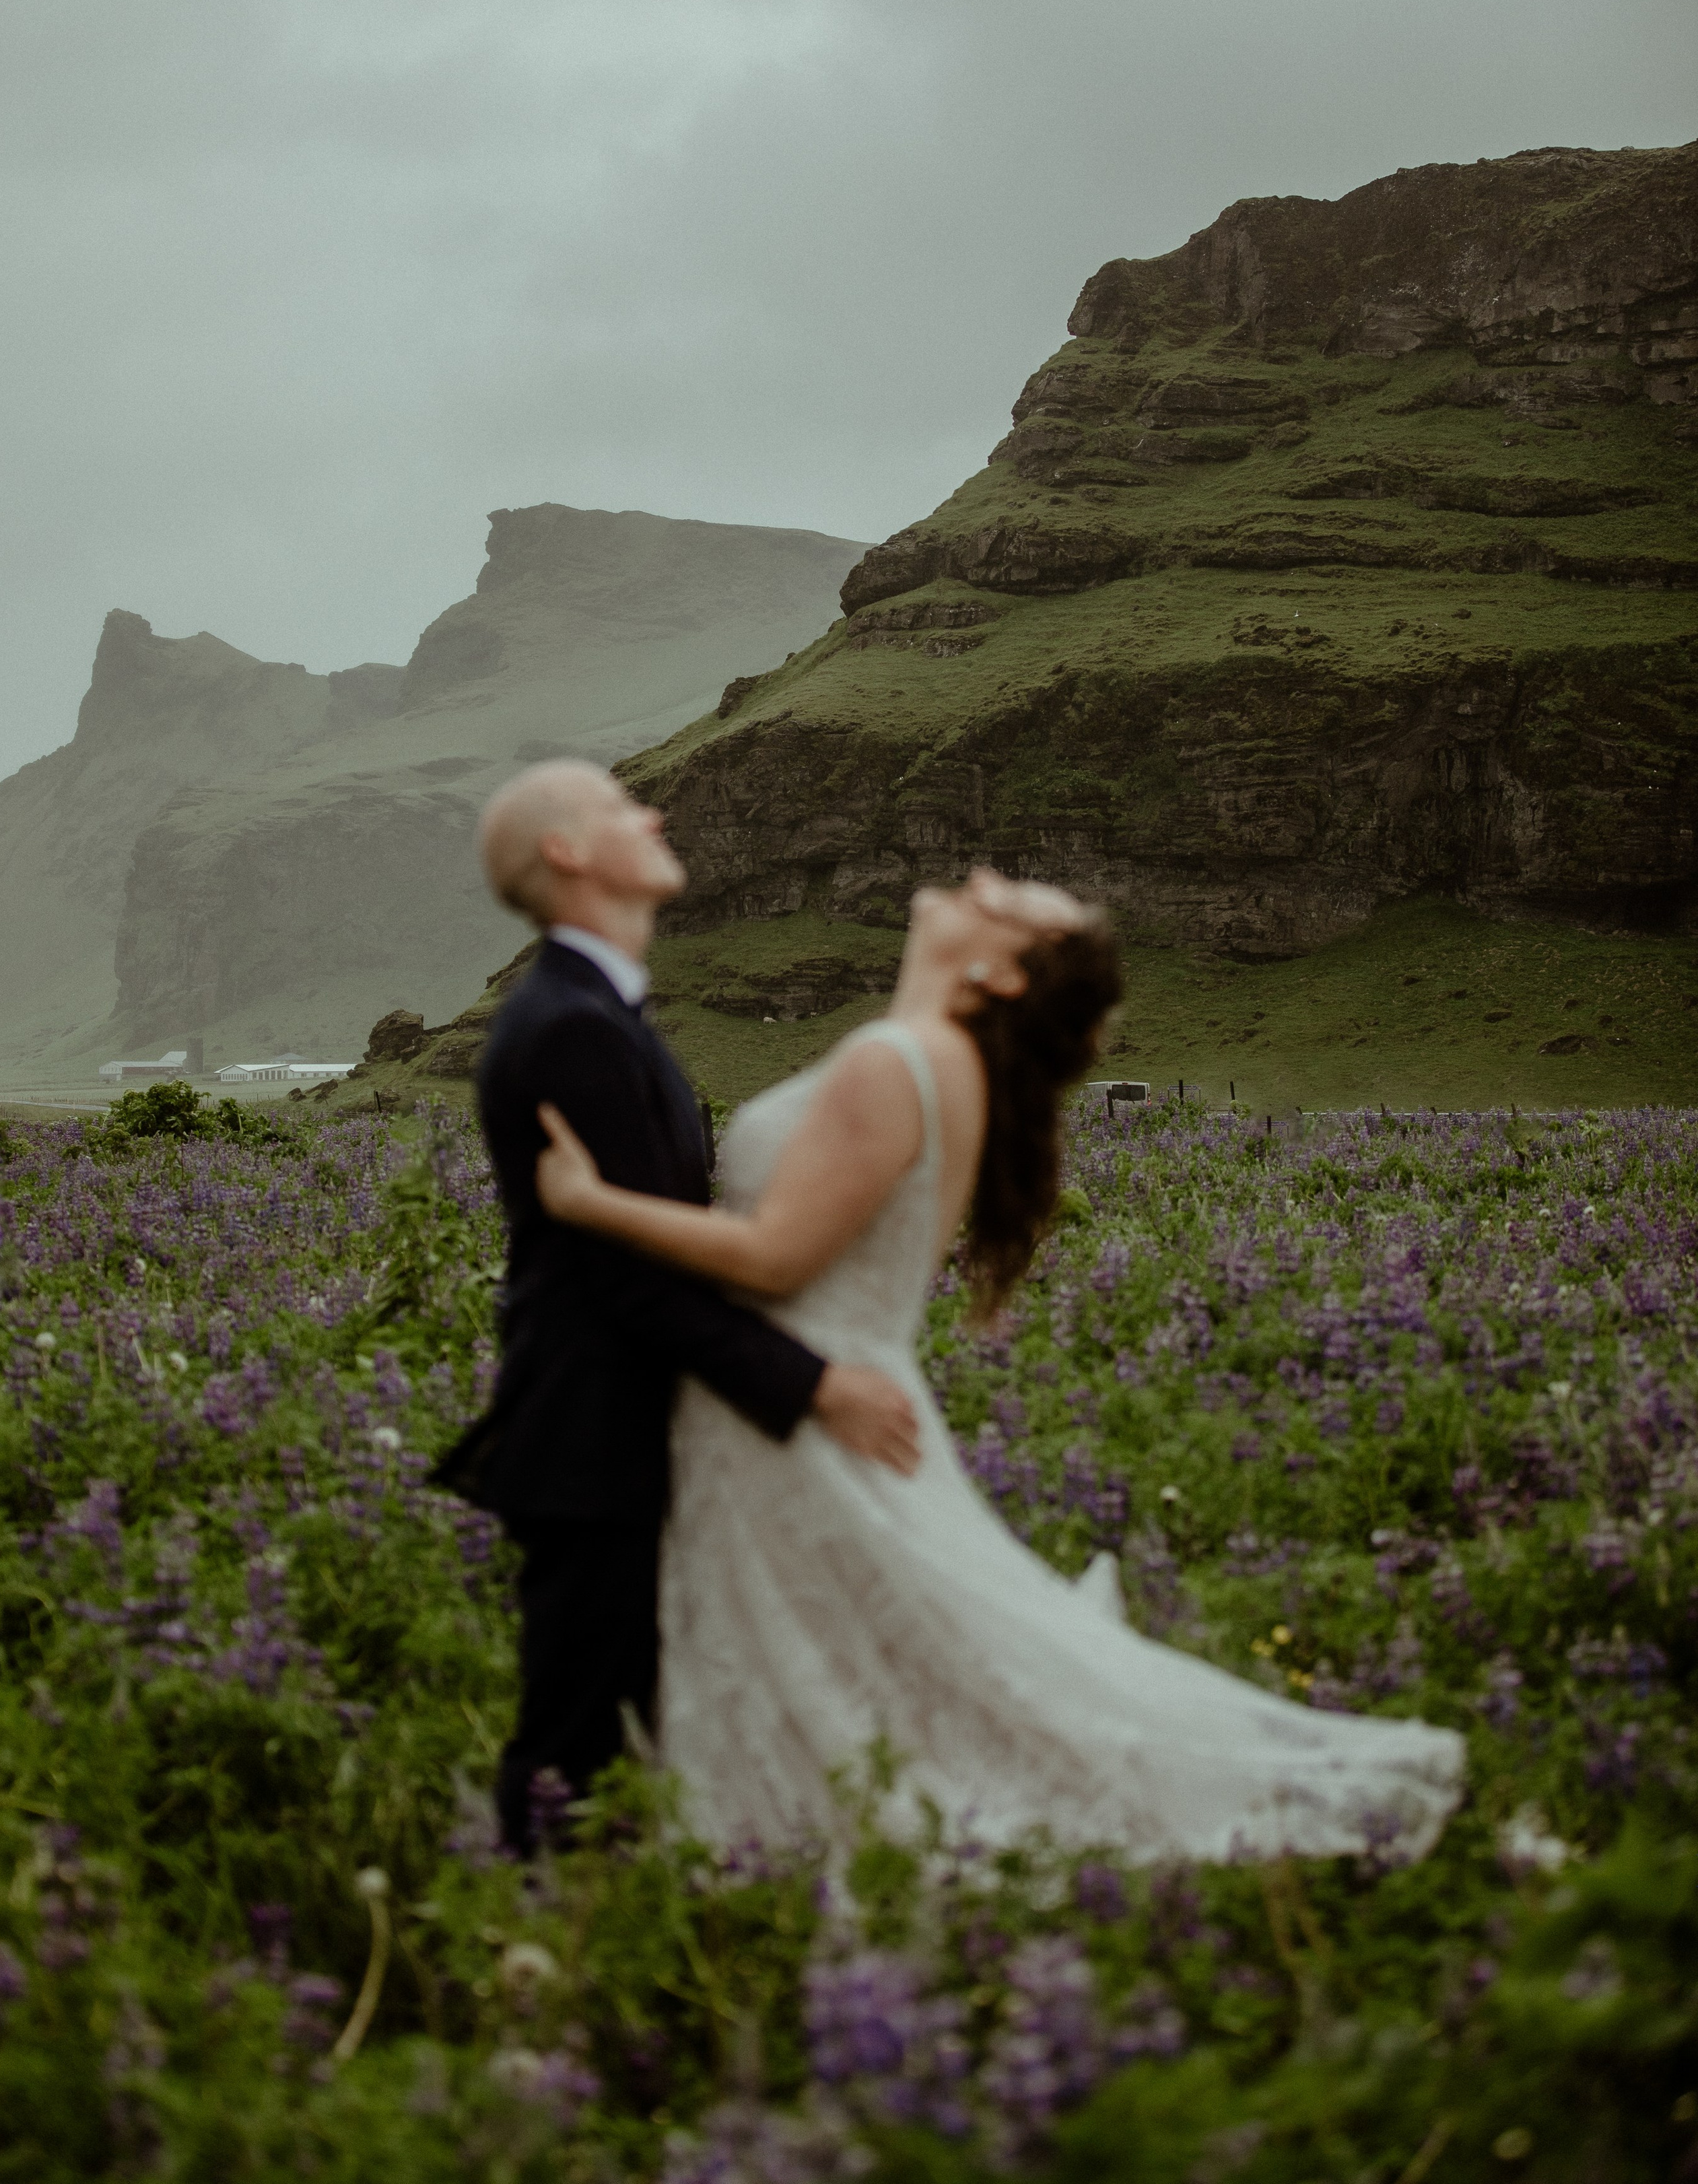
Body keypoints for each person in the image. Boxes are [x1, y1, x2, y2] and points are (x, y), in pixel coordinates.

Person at [535, 867, 1466, 1865]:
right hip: (832, 1387)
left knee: (851, 1673)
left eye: (1012, 898)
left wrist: (592, 1205)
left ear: (1003, 974)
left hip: (807, 1403)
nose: (980, 878)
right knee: (881, 1668)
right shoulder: (940, 1060)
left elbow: (774, 1256)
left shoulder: (899, 1061)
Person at [432, 760, 920, 1855]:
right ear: (567, 853)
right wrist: (814, 1386)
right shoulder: (570, 1026)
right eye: (618, 808)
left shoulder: (597, 1011)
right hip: (592, 1430)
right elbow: (627, 1278)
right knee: (574, 1735)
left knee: (618, 1720)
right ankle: (539, 1963)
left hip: (626, 1421)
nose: (650, 815)